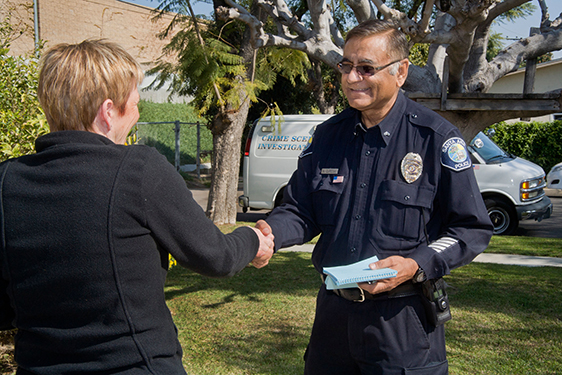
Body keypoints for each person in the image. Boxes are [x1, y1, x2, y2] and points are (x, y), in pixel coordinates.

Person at [0, 39, 274, 374]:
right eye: (135, 102)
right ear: (108, 110)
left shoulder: (6, 181)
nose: (138, 112)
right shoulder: (139, 169)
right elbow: (216, 256)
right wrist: (253, 241)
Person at [256, 19, 493, 374]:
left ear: (400, 72)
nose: (352, 78)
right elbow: (299, 210)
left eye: (366, 68)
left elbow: (471, 229)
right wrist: (269, 234)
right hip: (333, 322)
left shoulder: (436, 139)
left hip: (403, 322)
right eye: (346, 66)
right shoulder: (326, 137)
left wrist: (416, 264)